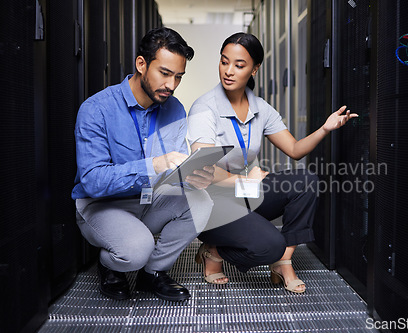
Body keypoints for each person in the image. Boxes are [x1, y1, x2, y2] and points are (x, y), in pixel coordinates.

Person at [186, 32, 357, 293]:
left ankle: (284, 260)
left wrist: (325, 128)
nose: (229, 71)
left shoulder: (260, 108)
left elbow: (295, 150)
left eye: (239, 65)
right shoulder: (204, 108)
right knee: (268, 244)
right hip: (211, 203)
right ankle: (215, 250)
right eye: (224, 62)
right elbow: (204, 171)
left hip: (244, 192)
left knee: (306, 180)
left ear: (254, 69)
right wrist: (247, 180)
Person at [72, 27, 215, 302]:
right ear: (141, 64)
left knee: (202, 201)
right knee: (137, 249)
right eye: (164, 73)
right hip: (102, 205)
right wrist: (154, 164)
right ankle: (110, 261)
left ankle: (153, 273)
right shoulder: (97, 109)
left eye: (178, 77)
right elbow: (92, 180)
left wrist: (192, 175)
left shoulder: (174, 109)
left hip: (149, 200)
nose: (171, 85)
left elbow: (172, 172)